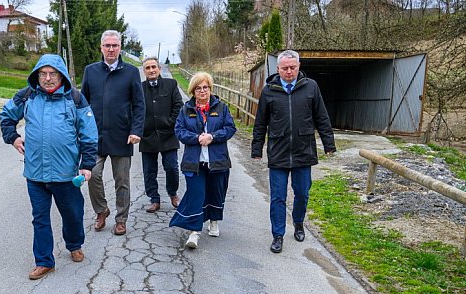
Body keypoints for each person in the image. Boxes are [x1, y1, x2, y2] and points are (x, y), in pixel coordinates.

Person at [0, 54, 98, 280]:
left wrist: (87, 164)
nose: (47, 78)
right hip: (35, 173)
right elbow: (5, 116)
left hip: (66, 174)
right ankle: (44, 261)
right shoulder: (27, 96)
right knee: (39, 217)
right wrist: (12, 137)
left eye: (52, 74)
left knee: (72, 213)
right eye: (43, 74)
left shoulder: (75, 99)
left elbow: (89, 134)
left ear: (61, 75)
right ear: (36, 75)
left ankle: (74, 244)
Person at [252, 49, 336, 253]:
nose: (289, 72)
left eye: (293, 68)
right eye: (285, 68)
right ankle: (278, 234)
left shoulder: (311, 87)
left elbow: (321, 117)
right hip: (278, 151)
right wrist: (257, 148)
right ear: (278, 68)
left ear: (299, 67)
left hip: (303, 151)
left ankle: (298, 222)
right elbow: (261, 122)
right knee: (278, 197)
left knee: (302, 193)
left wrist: (329, 144)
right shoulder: (269, 90)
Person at [81, 30, 145, 235]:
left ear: (120, 48)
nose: (111, 49)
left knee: (122, 182)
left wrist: (136, 130)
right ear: (101, 47)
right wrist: (81, 131)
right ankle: (101, 211)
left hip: (122, 135)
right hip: (95, 136)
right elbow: (83, 104)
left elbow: (139, 105)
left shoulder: (131, 72)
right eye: (107, 45)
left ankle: (121, 219)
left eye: (114, 45)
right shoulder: (90, 71)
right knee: (93, 175)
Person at [170, 72, 237, 249]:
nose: (202, 91)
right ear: (192, 90)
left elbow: (230, 128)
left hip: (217, 160)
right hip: (194, 161)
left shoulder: (221, 107)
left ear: (210, 88)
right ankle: (194, 231)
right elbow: (179, 131)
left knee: (216, 192)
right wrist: (197, 138)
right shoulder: (186, 110)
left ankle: (214, 220)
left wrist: (213, 137)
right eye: (198, 88)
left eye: (205, 87)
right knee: (196, 194)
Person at [140, 56, 183, 213]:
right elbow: (134, 108)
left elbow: (179, 105)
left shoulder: (170, 84)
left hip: (168, 135)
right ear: (144, 71)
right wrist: (140, 127)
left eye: (153, 67)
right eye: (148, 68)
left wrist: (170, 122)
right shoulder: (139, 87)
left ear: (159, 69)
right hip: (147, 136)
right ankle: (154, 199)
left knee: (171, 167)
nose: (151, 70)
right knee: (149, 170)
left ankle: (173, 194)